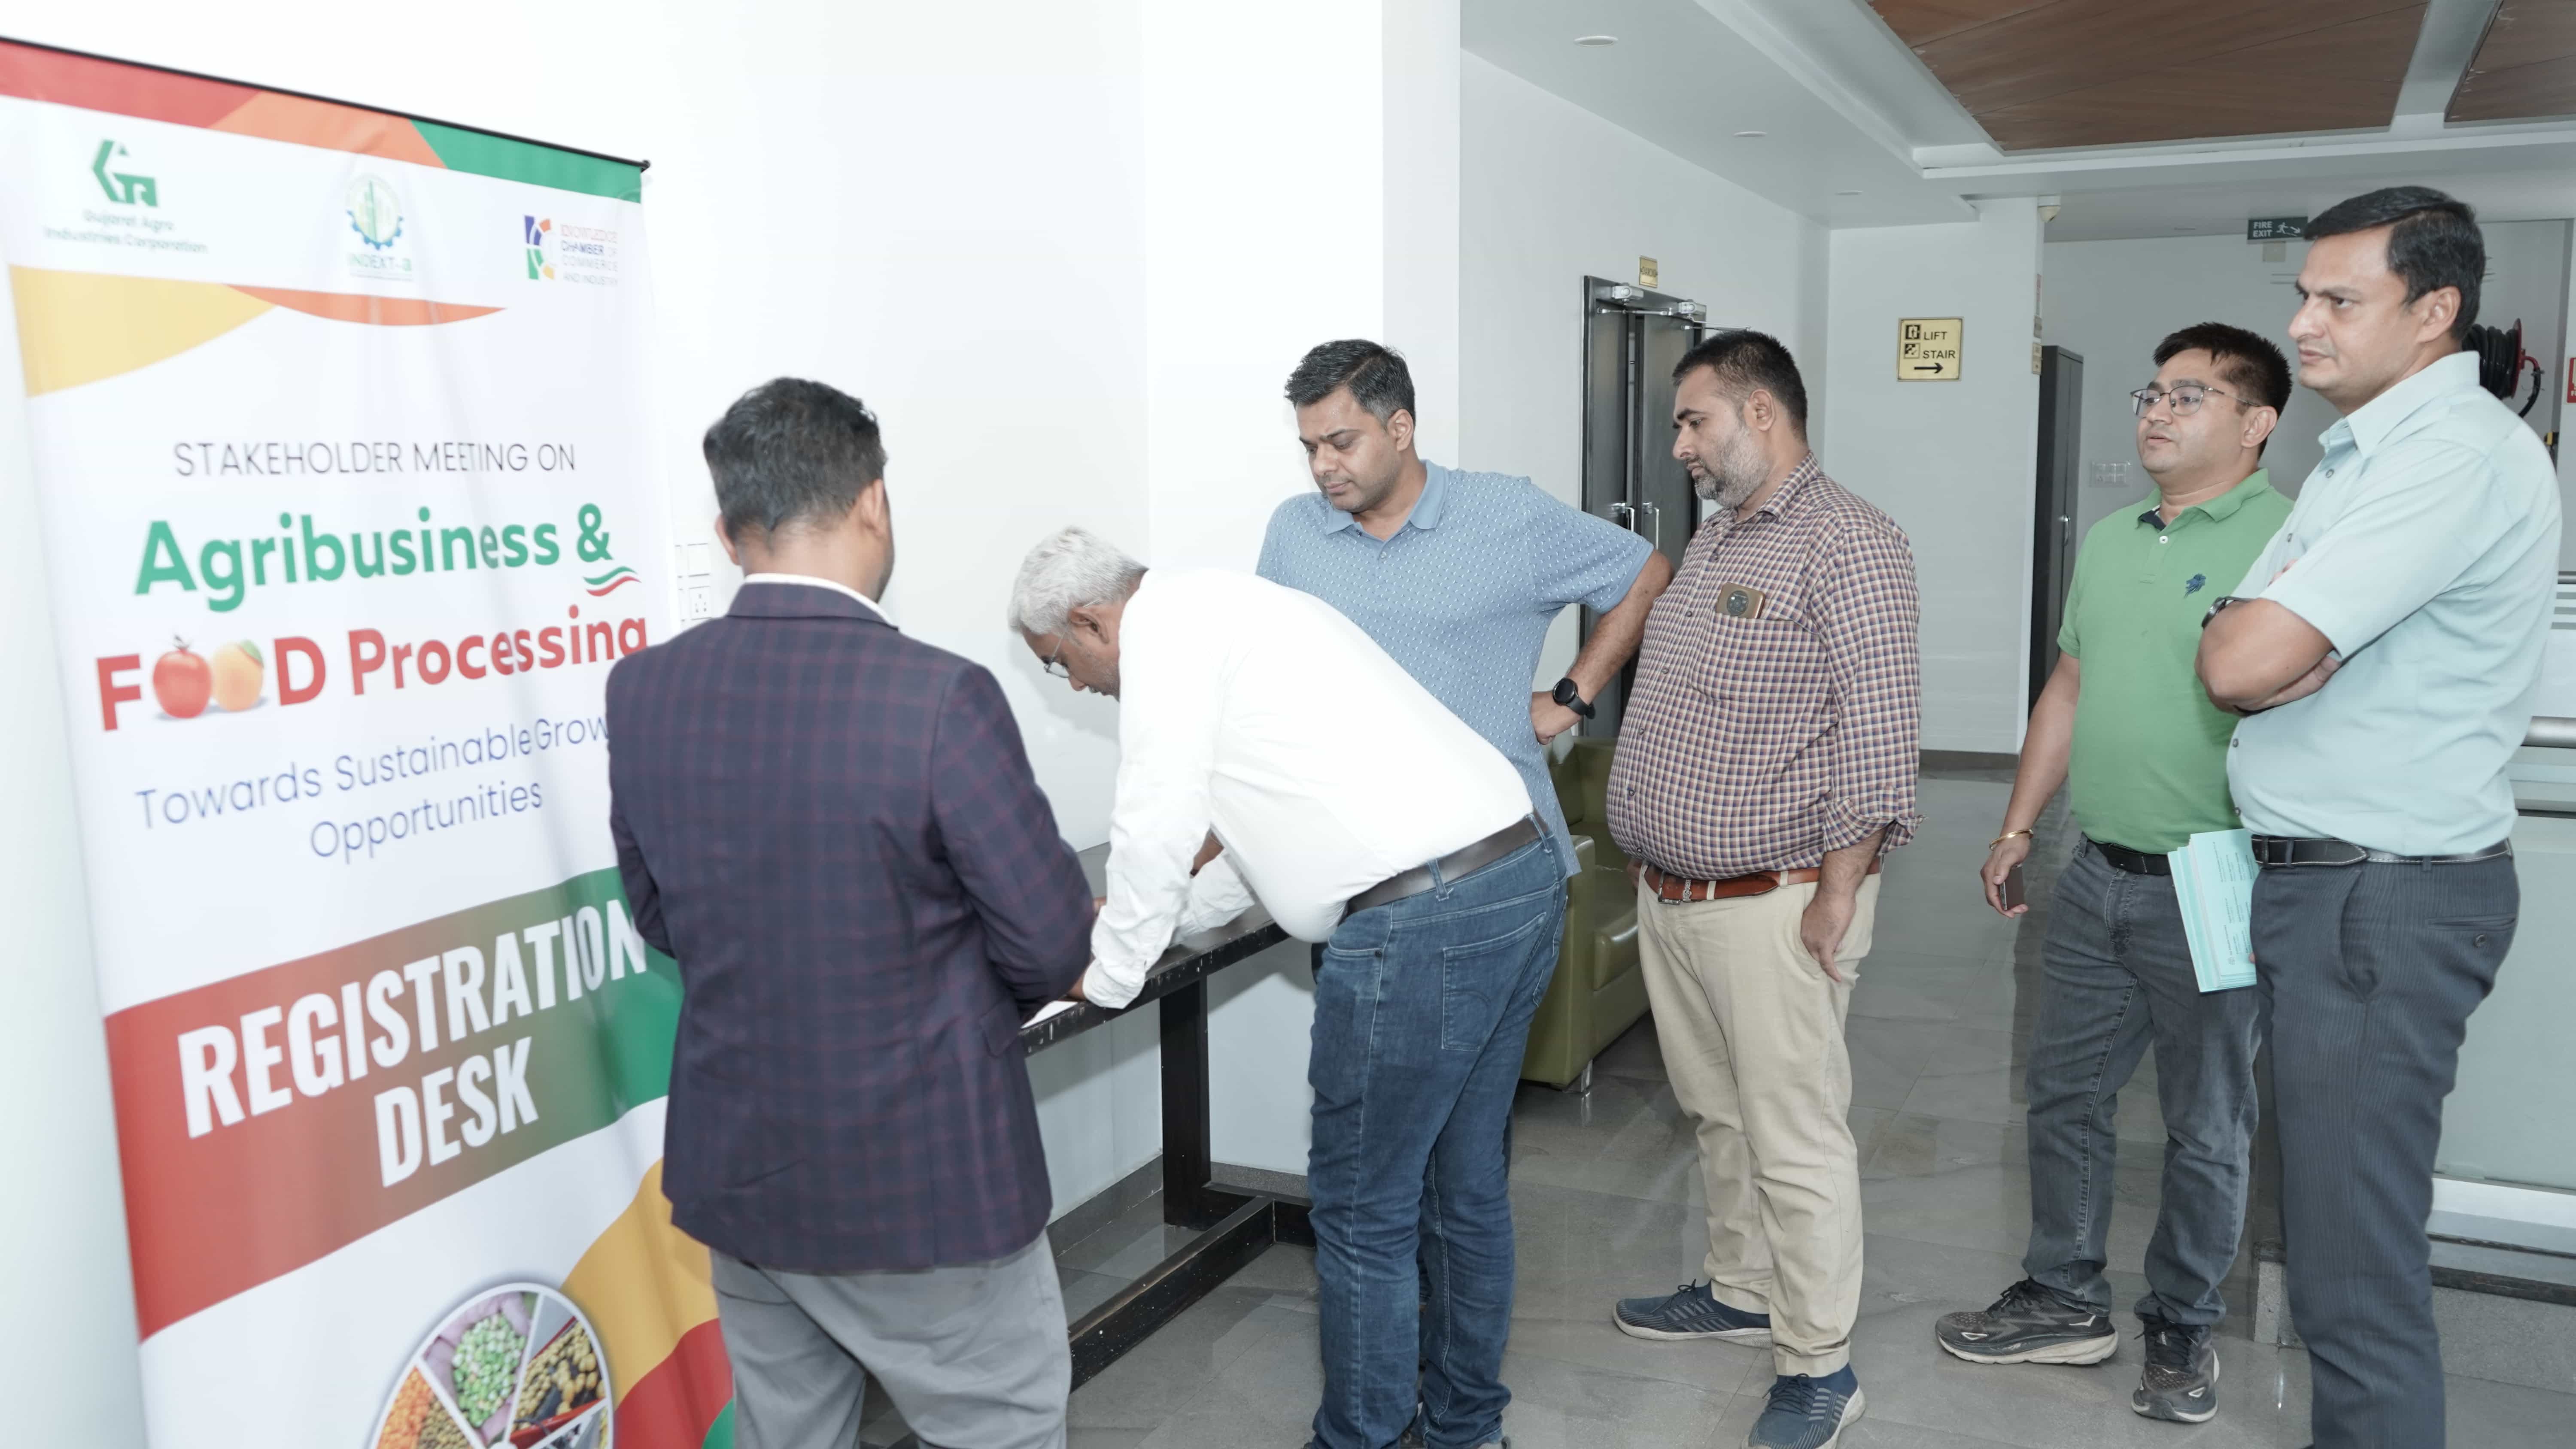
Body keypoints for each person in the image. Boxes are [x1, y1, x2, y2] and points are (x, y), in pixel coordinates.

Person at [607, 380, 1094, 1449]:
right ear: (874, 500)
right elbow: (1055, 941)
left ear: (730, 532)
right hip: (930, 1179)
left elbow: (661, 912)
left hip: (748, 1171)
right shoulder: (940, 696)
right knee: (1001, 1428)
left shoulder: (642, 690)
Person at [1009, 528, 1558, 1449]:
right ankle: (1465, 1431)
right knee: (1461, 1190)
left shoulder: (1164, 641)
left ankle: (1362, 1438)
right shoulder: (1228, 608)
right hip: (1515, 875)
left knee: (1363, 1209)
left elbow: (1154, 822)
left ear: (1091, 619)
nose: (1073, 683)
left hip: (1422, 923)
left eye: (1060, 660)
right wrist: (1154, 923)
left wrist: (1106, 973)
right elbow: (1253, 833)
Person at [2197, 187, 2560, 1449]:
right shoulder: (2363, 454)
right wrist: (2267, 640)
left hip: (2379, 897)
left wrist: (2271, 642)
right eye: (2304, 294)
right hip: (2335, 887)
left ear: (2435, 309)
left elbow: (2237, 663)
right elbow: (2237, 638)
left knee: (2353, 1275)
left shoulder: (2448, 457)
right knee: (2339, 1245)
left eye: (2340, 300)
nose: (2304, 323)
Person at [1939, 324, 2293, 1423]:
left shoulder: (2293, 540)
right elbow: (2070, 686)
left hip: (2218, 879)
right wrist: (2017, 827)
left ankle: (2183, 1321)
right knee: (2066, 1093)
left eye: (2190, 396)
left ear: (2256, 423)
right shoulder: (2109, 536)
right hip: (2096, 871)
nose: (2156, 411)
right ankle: (2063, 1295)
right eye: (2153, 392)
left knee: (2207, 1120)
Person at [1602, 330, 1918, 1449]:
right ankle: (1742, 1291)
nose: (1681, 445)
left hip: (1778, 900)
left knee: (1794, 1137)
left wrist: (1838, 893)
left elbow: (1880, 740)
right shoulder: (1718, 533)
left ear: (1763, 415)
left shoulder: (1852, 542)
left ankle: (1821, 1365)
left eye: (1695, 422)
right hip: (1677, 896)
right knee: (1720, 1115)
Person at [1258, 338, 1674, 897]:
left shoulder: (1506, 513)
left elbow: (1646, 573)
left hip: (1493, 867)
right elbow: (1268, 675)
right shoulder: (1294, 531)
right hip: (1350, 866)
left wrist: (1570, 699)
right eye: (1311, 448)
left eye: (1341, 443)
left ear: (1400, 429)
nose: (1322, 466)